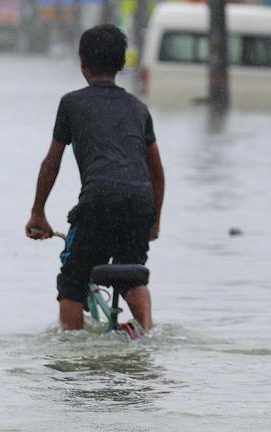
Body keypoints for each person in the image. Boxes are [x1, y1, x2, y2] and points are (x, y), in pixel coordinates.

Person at [25, 24, 166, 334]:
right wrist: (154, 220)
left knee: (73, 282)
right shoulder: (139, 109)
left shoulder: (72, 103)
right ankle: (147, 332)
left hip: (99, 199)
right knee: (132, 274)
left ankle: (73, 351)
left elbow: (52, 162)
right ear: (122, 63)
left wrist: (38, 212)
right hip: (140, 201)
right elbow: (156, 171)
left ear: (82, 64)